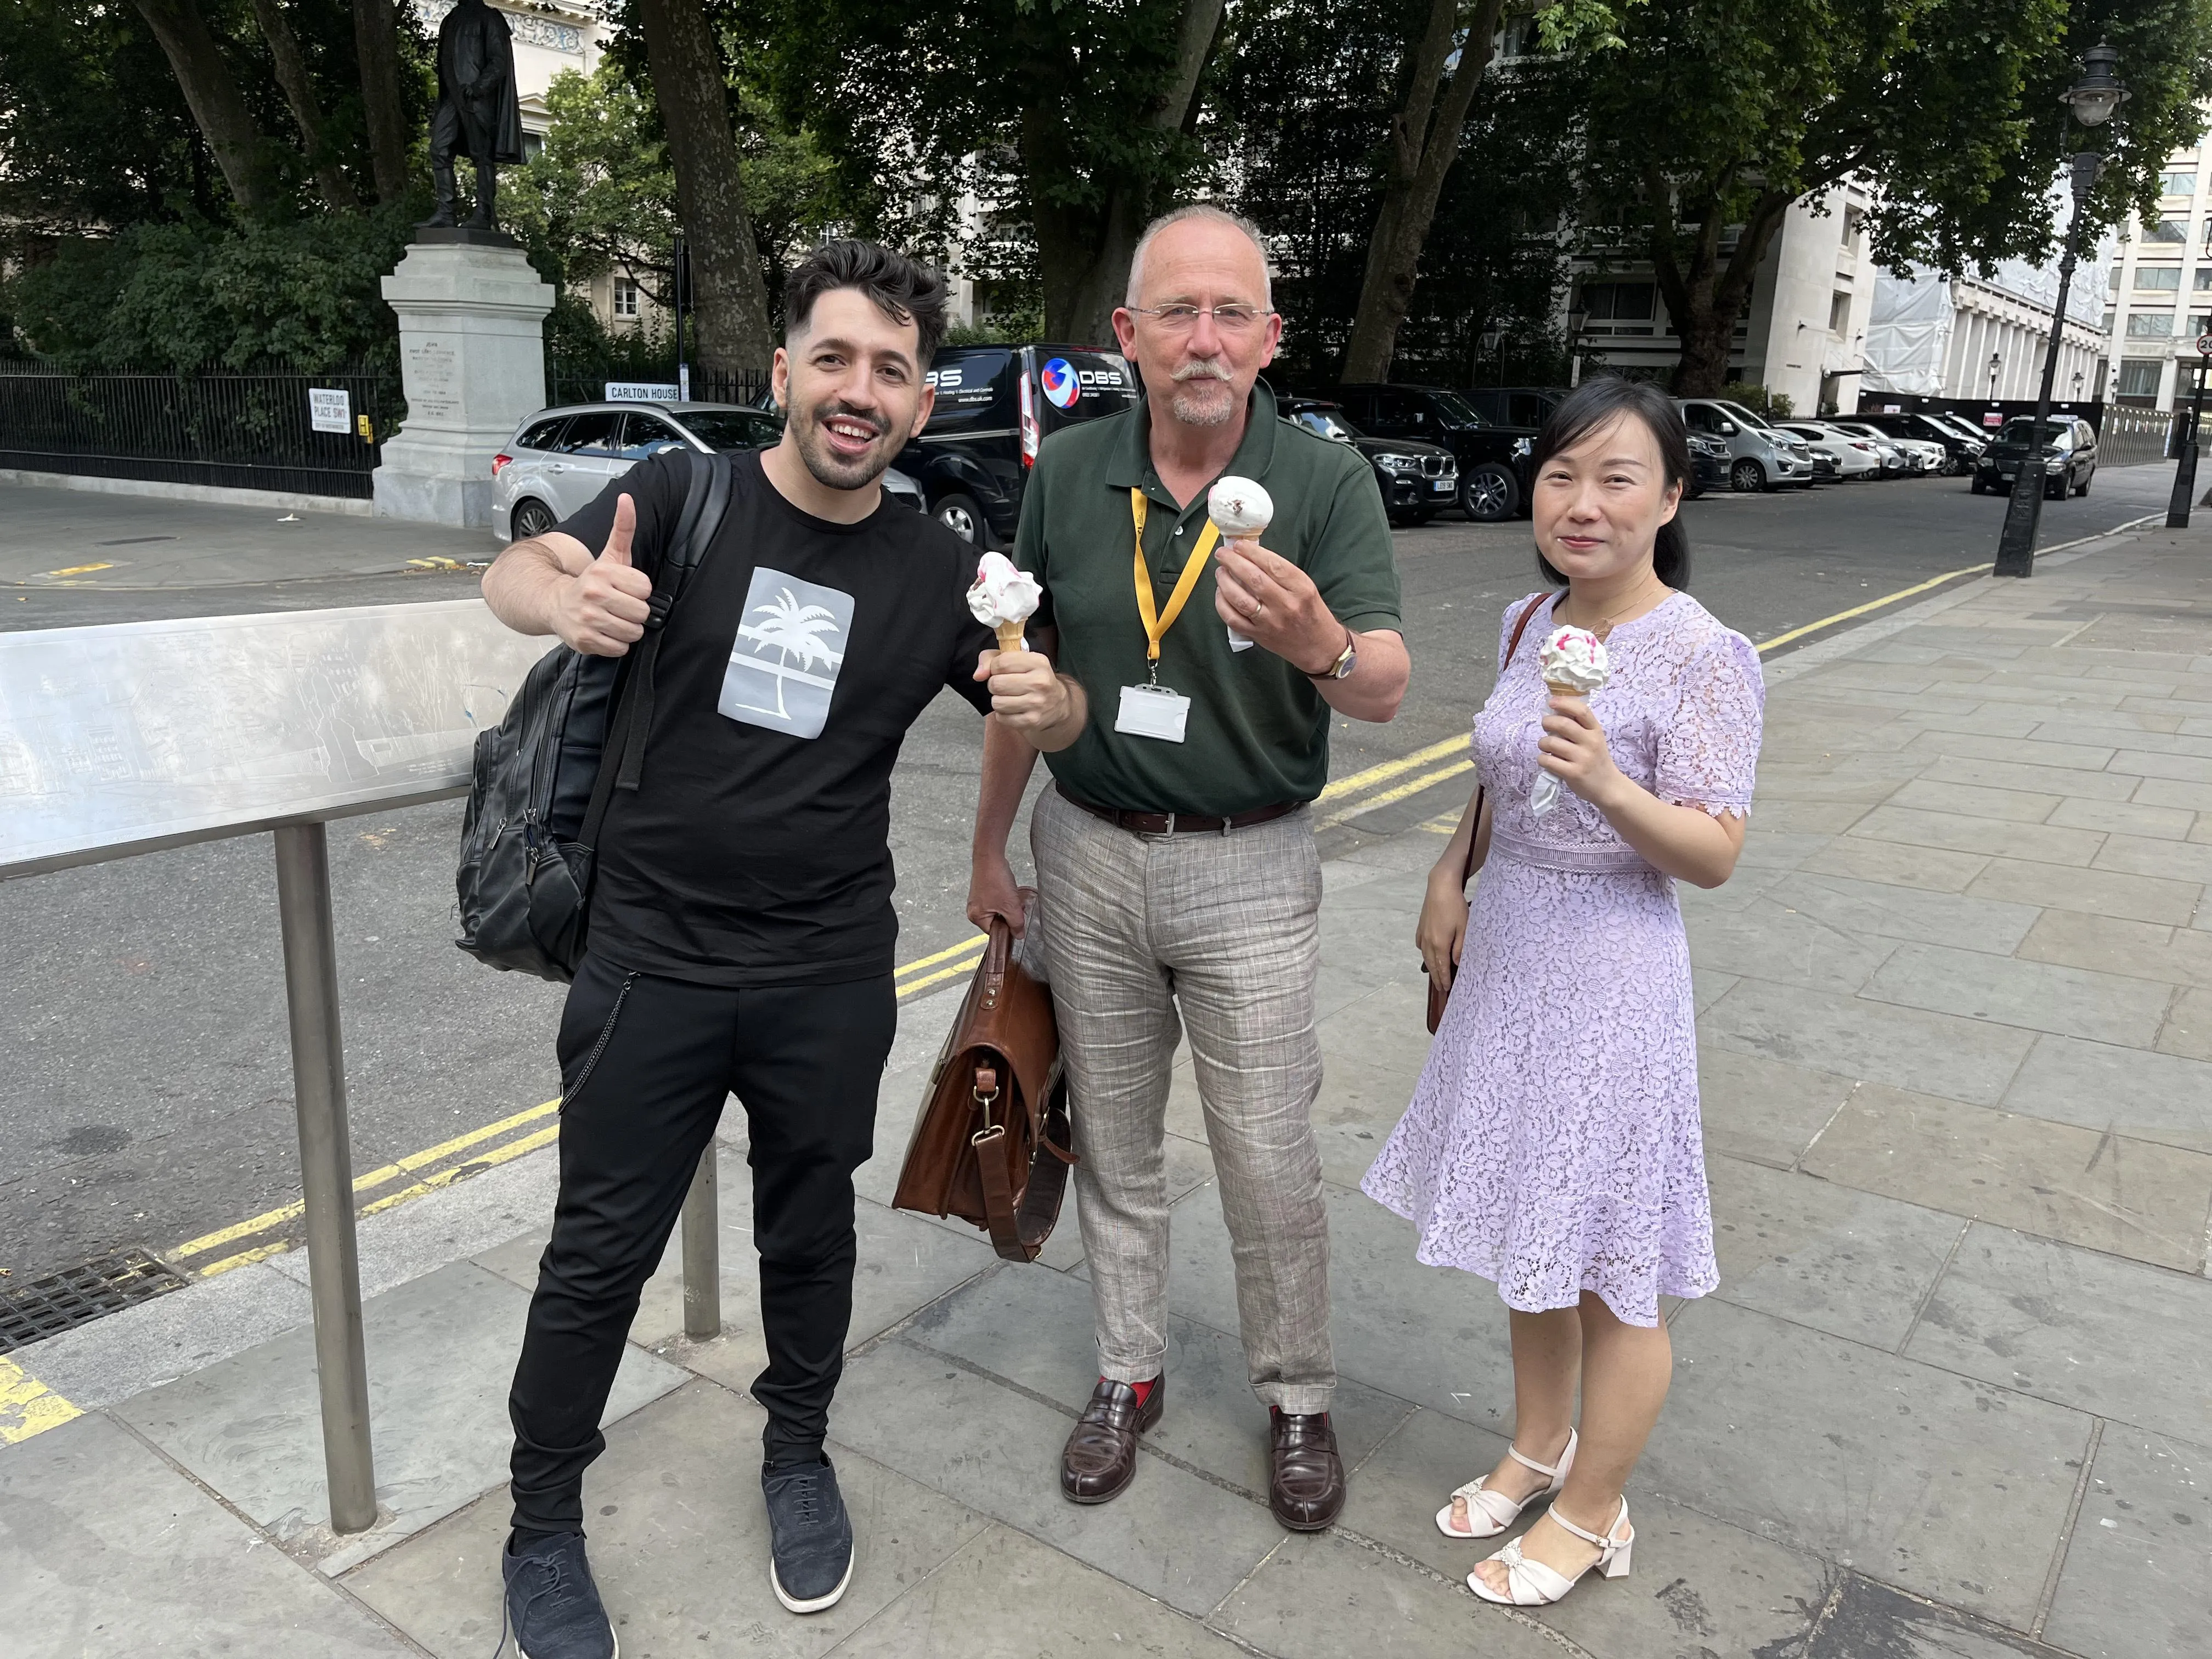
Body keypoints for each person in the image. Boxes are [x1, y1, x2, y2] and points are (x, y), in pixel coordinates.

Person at [479, 240, 1080, 1657]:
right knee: (596, 1256)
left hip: (825, 970)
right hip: (650, 960)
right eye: (835, 360)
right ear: (786, 374)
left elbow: (1035, 707)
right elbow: (527, 562)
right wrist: (563, 603)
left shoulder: (941, 569)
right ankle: (542, 1522)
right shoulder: (681, 497)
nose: (858, 391)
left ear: (922, 404)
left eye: (889, 370)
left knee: (811, 1231)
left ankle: (797, 1450)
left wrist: (1050, 706)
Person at [967, 204, 1409, 1531]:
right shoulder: (1072, 469)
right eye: (1177, 313)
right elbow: (1019, 673)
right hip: (1089, 850)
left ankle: (1298, 1397)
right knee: (1114, 1140)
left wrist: (1323, 641)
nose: (1203, 339)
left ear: (1270, 338)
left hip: (1249, 866)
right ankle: (1127, 1371)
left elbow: (1385, 686)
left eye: (1230, 313)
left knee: (1268, 1153)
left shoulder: (1325, 479)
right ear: (1130, 337)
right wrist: (988, 842)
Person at [1360, 377, 1764, 1606]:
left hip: (1612, 972)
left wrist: (1611, 790)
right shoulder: (1528, 621)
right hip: (1513, 949)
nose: (1582, 505)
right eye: (1560, 477)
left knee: (1611, 1261)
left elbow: (1715, 853)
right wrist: (1449, 867)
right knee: (1532, 1231)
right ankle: (1538, 1448)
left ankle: (1595, 1510)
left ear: (1672, 497)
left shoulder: (1706, 656)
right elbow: (1497, 773)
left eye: (1617, 479)